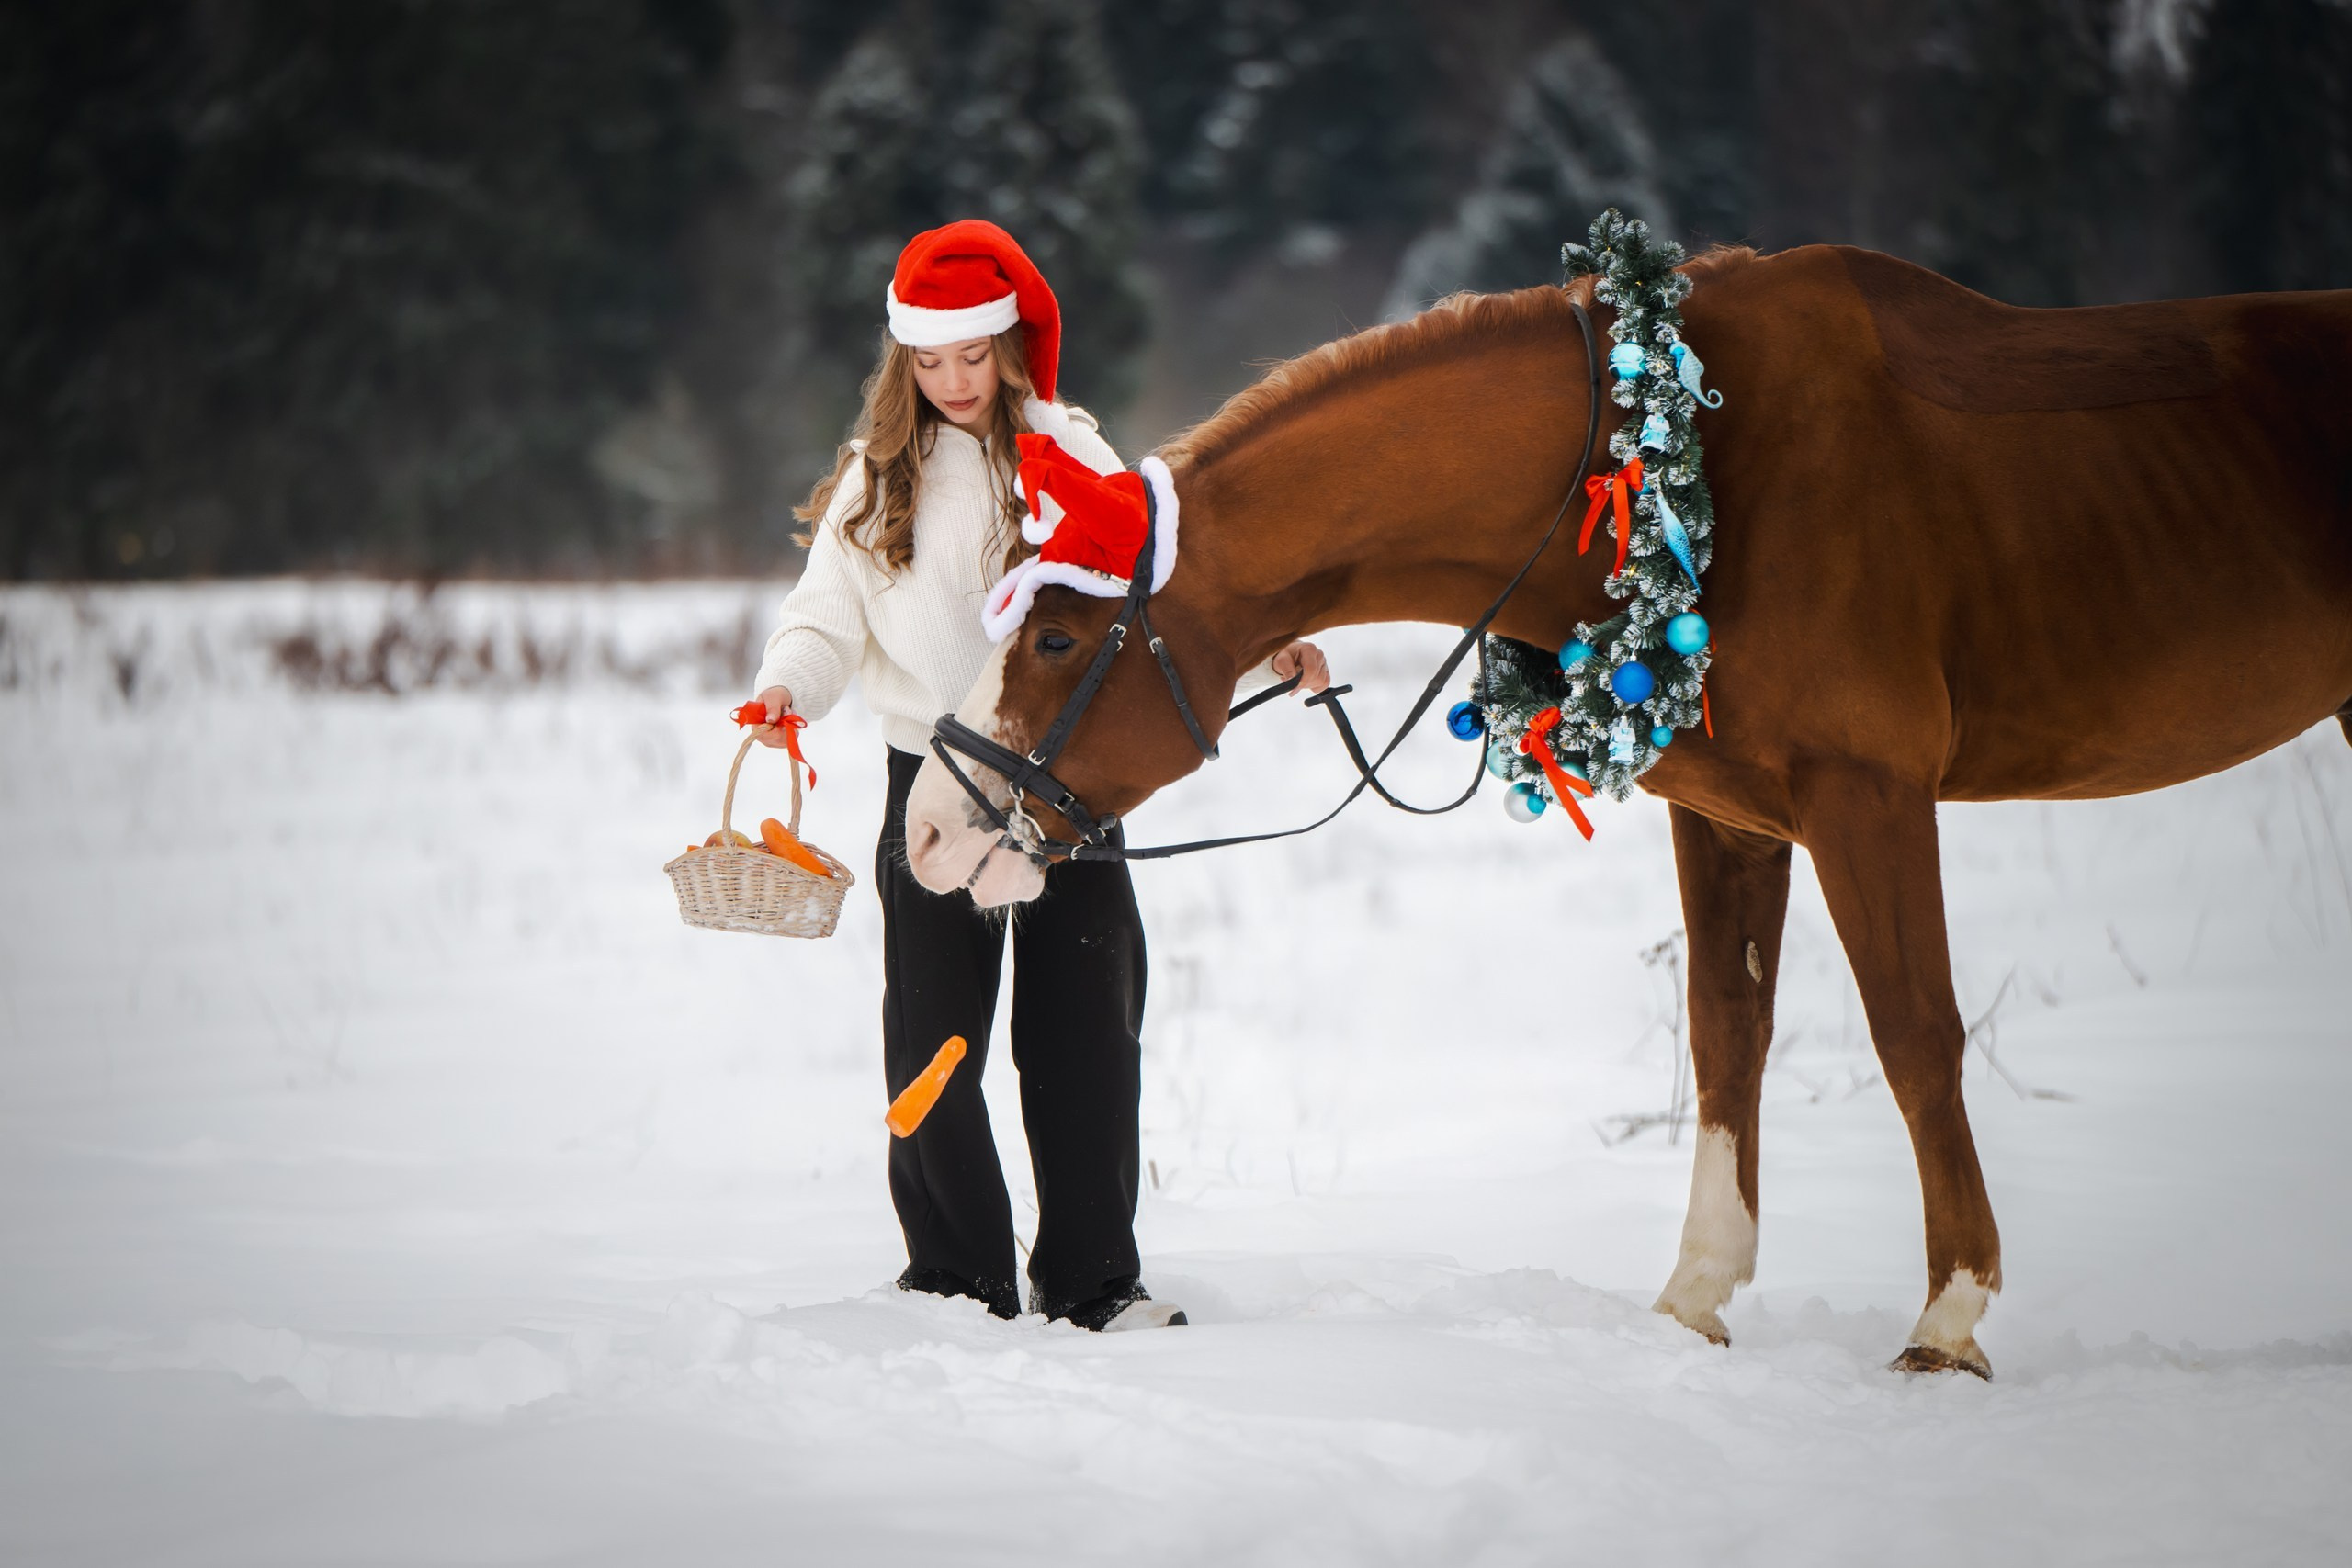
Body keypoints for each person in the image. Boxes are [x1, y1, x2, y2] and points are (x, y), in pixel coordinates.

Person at [746, 220, 1330, 1330]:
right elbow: (821, 620)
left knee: (1086, 1036)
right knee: (933, 1042)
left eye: (973, 356)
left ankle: (1093, 1279)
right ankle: (954, 1277)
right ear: (904, 363)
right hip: (930, 778)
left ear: (1008, 349)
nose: (954, 381)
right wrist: (786, 690)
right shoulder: (881, 482)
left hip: (1063, 788)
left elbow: (1155, 598)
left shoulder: (1072, 455)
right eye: (930, 360)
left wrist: (1265, 648)